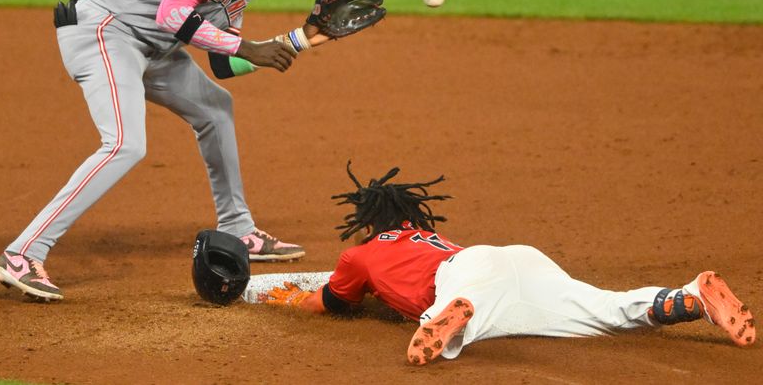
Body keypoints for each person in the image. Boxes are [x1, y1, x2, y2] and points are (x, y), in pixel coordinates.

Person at [0, 0, 336, 302]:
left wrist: (301, 40)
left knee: (215, 107)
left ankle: (238, 229)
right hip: (105, 29)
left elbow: (222, 64)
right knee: (124, 143)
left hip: (151, 47)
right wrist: (250, 48)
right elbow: (173, 15)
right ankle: (23, 253)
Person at [263, 164, 757, 365]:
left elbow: (325, 303)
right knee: (604, 310)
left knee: (464, 316)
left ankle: (446, 321)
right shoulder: (425, 234)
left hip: (463, 280)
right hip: (509, 257)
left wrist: (278, 297)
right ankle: (688, 298)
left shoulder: (360, 254)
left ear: (368, 220)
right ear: (408, 213)